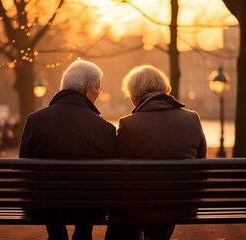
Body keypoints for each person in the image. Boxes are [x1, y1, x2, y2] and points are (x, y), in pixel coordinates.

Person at [105, 65, 207, 240]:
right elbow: (200, 166)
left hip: (142, 206)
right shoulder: (192, 119)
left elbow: (121, 173)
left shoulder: (129, 124)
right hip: (183, 205)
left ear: (135, 97)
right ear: (164, 90)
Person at [19, 59, 117, 240]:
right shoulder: (104, 128)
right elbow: (110, 176)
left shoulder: (35, 120)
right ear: (88, 89)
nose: (98, 94)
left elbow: (25, 165)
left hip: (44, 206)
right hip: (88, 209)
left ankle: (56, 235)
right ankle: (83, 234)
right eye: (98, 89)